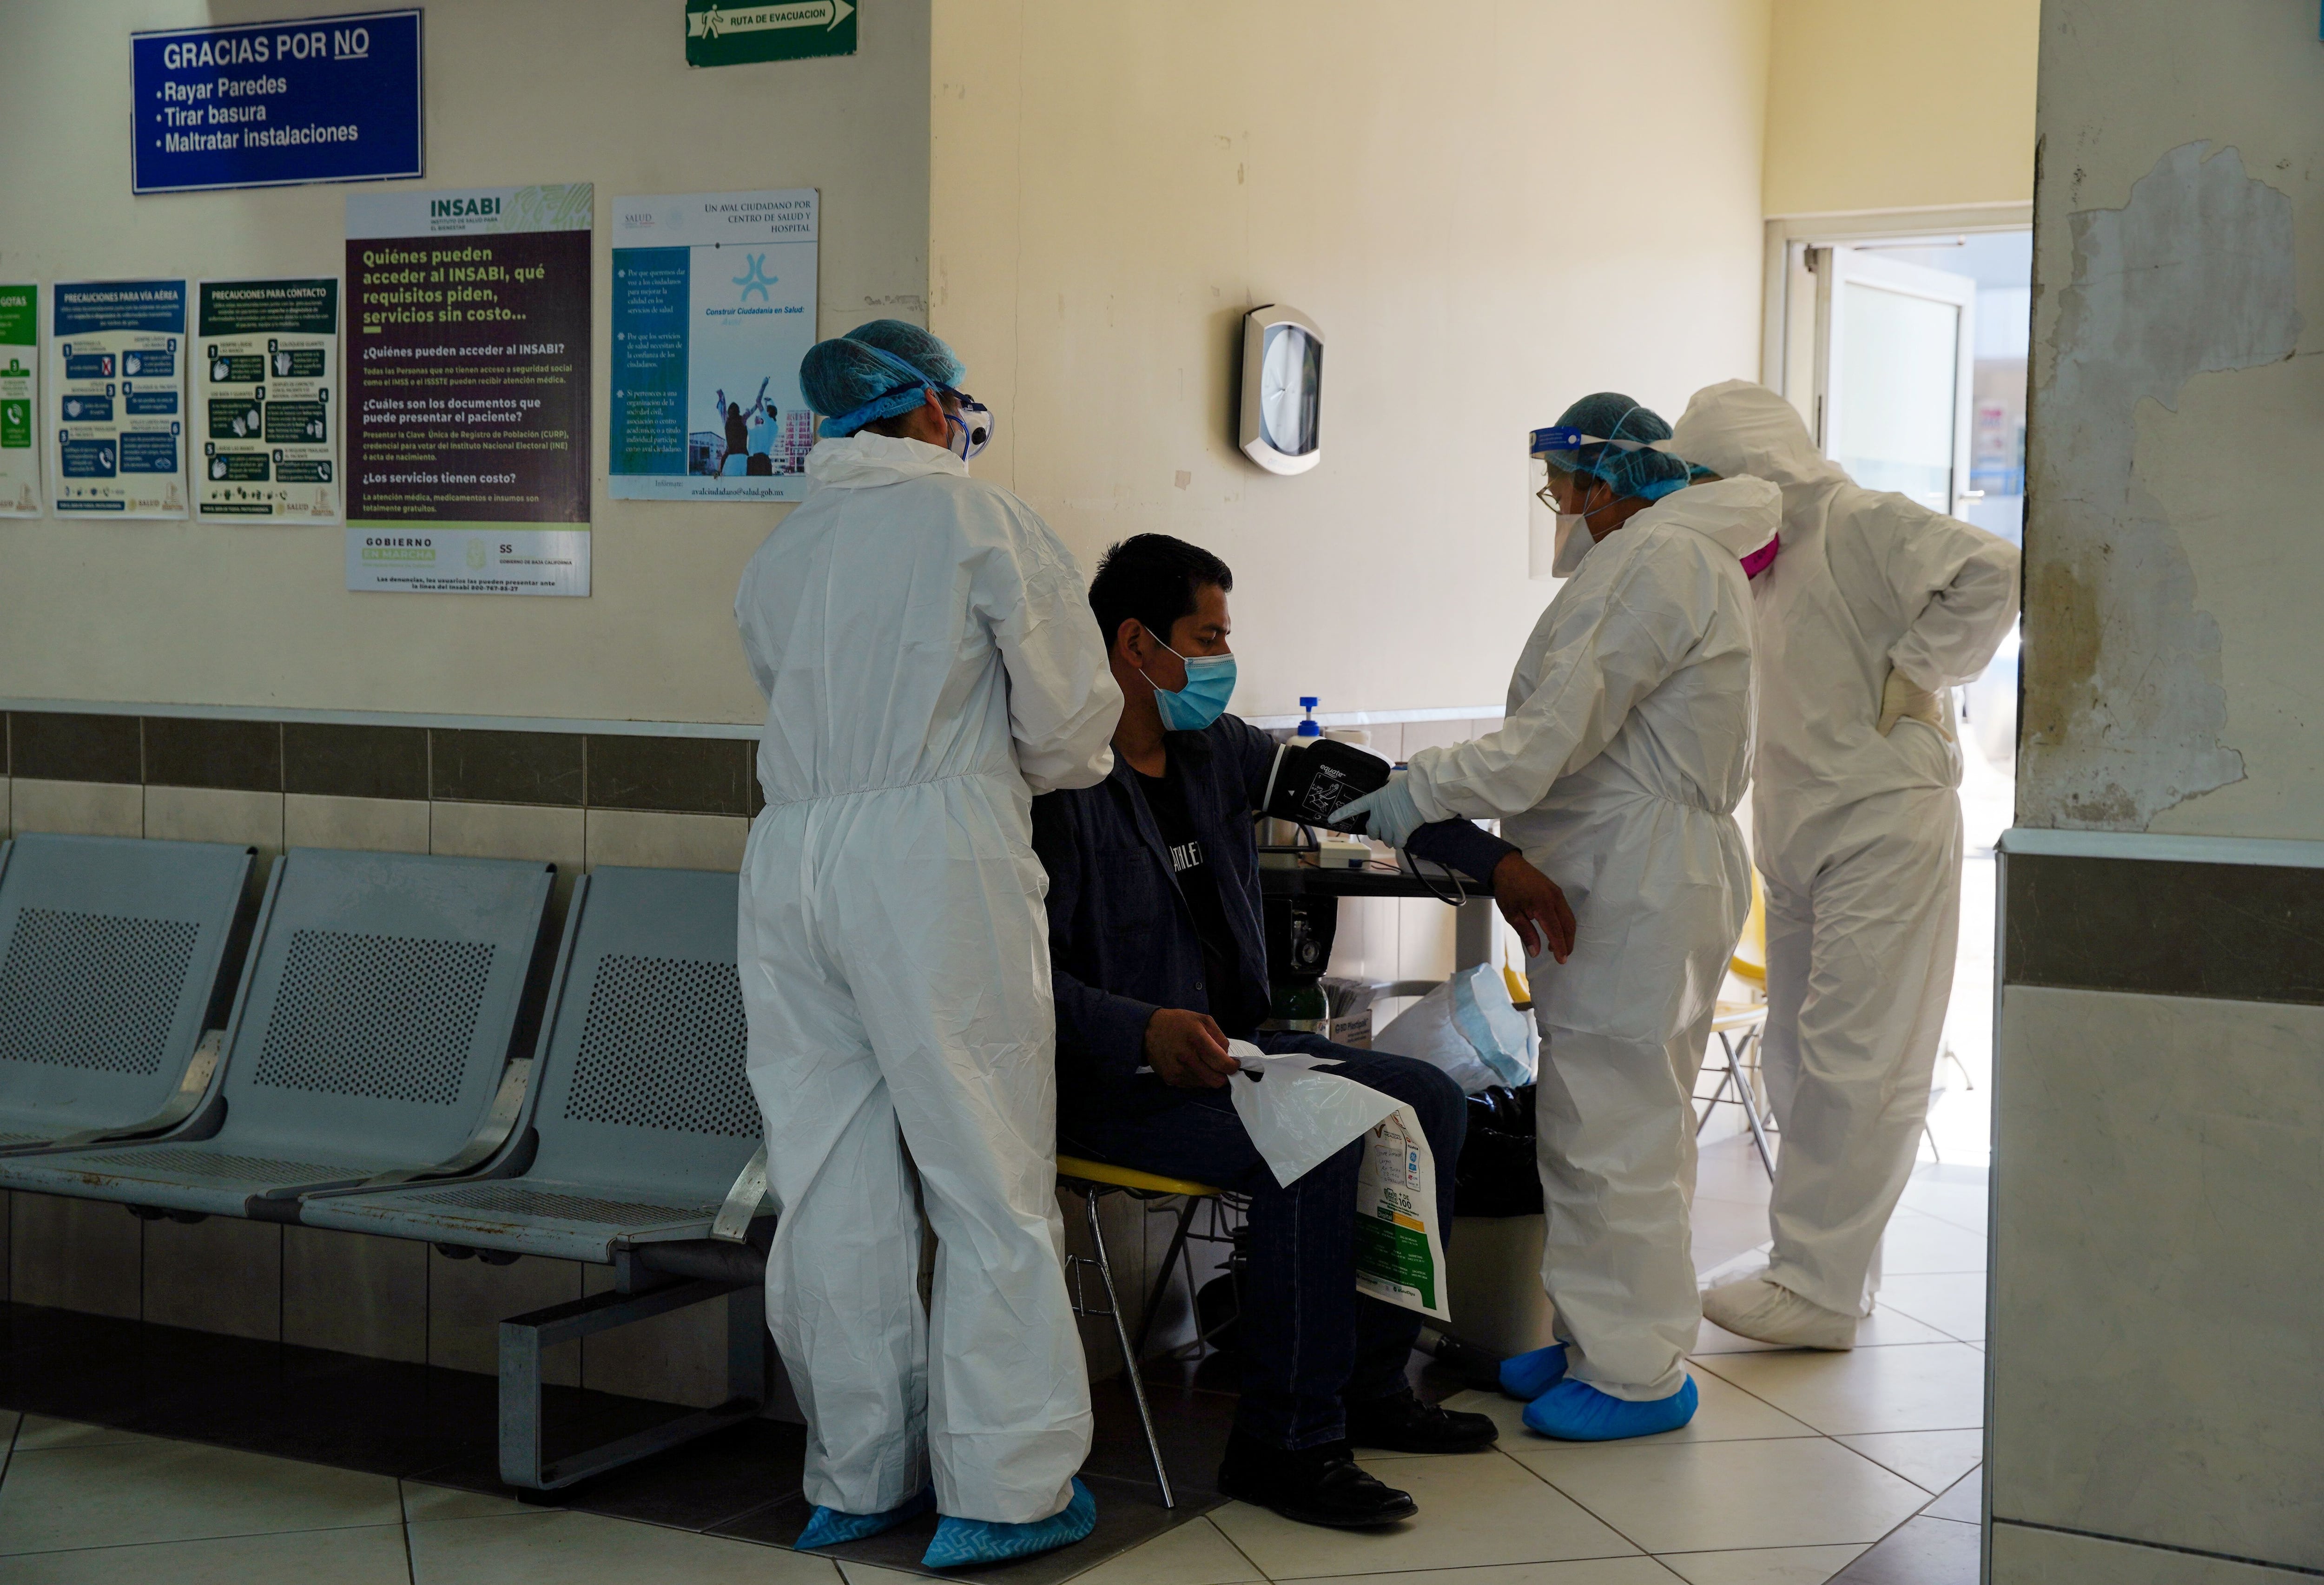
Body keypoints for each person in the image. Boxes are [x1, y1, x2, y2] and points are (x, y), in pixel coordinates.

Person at [1033, 533, 1575, 1528]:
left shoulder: (1214, 749)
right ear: (1134, 641)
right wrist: (1138, 1026)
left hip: (1239, 1057)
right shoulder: (1054, 779)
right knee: (1317, 1138)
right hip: (1112, 1080)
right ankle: (1285, 1437)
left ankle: (1370, 1383)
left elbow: (1373, 794)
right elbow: (1009, 973)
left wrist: (1496, 866)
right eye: (1209, 635)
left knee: (1431, 1098)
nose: (1223, 657)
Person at [734, 319, 1122, 1569]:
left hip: (790, 860)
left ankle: (856, 1473)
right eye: (961, 404)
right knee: (988, 1177)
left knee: (832, 1181)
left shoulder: (783, 550)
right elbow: (1071, 729)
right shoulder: (982, 522)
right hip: (931, 859)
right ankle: (1004, 1490)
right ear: (928, 408)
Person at [1333, 394, 1780, 1441]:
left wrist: (1421, 786)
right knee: (1618, 1115)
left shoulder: (1657, 561)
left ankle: (1631, 1372)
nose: (1559, 508)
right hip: (1641, 864)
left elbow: (1549, 738)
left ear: (1605, 480)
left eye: (1561, 487)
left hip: (1636, 869)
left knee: (1608, 1123)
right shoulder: (1679, 556)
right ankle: (1603, 1334)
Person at [1671, 380, 2019, 1348]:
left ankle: (1816, 1284)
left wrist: (1919, 672)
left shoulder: (1861, 521)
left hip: (1881, 821)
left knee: (1857, 1058)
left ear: (1763, 468)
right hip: (1797, 829)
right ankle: (1828, 1268)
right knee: (1793, 1057)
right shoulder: (1758, 568)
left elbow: (1993, 568)